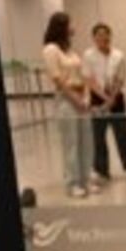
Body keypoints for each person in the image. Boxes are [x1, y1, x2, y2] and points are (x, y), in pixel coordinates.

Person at [41, 12, 97, 198]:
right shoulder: (51, 49)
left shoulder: (71, 51)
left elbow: (84, 75)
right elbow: (58, 80)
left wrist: (87, 97)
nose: (74, 26)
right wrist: (76, 99)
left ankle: (85, 178)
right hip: (66, 100)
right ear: (61, 26)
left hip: (82, 97)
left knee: (86, 141)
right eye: (70, 23)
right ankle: (72, 183)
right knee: (71, 143)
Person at [83, 24, 126, 180]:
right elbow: (89, 79)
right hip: (97, 97)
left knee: (123, 132)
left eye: (106, 34)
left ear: (110, 36)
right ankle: (101, 169)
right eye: (99, 35)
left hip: (116, 97)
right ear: (94, 37)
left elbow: (121, 78)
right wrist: (105, 99)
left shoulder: (118, 55)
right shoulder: (88, 55)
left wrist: (112, 98)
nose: (103, 37)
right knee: (98, 135)